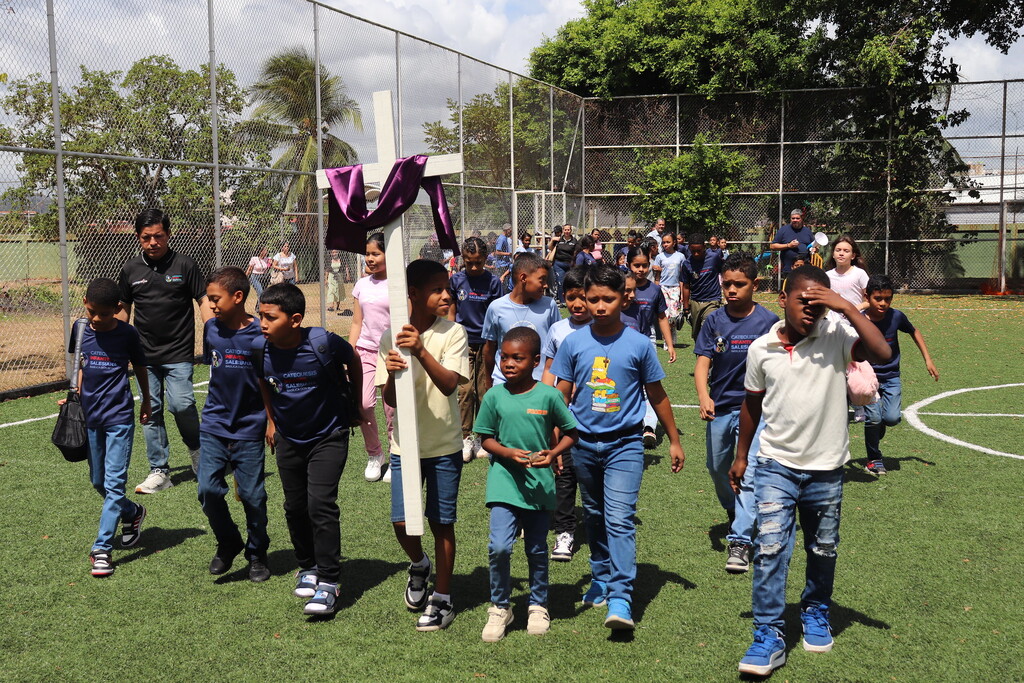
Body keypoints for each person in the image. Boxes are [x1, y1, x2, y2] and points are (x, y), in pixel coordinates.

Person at [731, 265, 891, 676]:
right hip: (774, 465)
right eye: (803, 299)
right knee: (768, 550)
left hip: (826, 467)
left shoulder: (836, 335)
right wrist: (741, 455)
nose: (811, 309)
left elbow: (883, 352)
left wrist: (844, 307)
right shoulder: (761, 348)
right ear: (782, 298)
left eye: (819, 303)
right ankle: (768, 634)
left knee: (822, 549)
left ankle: (815, 611)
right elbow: (752, 405)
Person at [549, 264, 685, 631]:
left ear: (623, 298)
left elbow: (657, 395)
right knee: (593, 515)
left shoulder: (639, 343)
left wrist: (673, 440)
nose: (600, 306)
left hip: (625, 445)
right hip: (582, 445)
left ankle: (622, 596)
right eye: (592, 299)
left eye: (608, 298)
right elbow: (560, 395)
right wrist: (556, 444)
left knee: (619, 518)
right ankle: (600, 578)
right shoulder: (573, 343)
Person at [256, 283, 361, 616]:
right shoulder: (261, 349)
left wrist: (355, 406)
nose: (262, 324)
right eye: (260, 316)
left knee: (320, 504)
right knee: (295, 506)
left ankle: (329, 581)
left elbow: (354, 360)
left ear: (295, 319)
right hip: (288, 436)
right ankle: (308, 566)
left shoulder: (322, 342)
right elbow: (263, 383)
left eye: (269, 318)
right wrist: (271, 423)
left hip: (328, 435)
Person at [377, 259, 470, 632]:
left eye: (446, 288)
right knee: (401, 522)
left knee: (440, 523)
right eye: (437, 289)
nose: (446, 294)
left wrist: (420, 352)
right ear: (412, 294)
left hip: (445, 445)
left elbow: (450, 384)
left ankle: (443, 598)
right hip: (405, 448)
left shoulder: (453, 333)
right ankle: (419, 565)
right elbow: (391, 398)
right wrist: (395, 371)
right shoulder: (390, 337)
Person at [475, 327, 578, 642]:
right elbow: (486, 439)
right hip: (504, 480)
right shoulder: (494, 395)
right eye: (504, 357)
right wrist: (507, 453)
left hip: (538, 484)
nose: (508, 363)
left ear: (535, 361)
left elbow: (571, 432)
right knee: (499, 547)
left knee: (536, 548)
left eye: (516, 358)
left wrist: (553, 454)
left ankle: (538, 604)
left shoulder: (548, 396)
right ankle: (500, 606)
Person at [117, 208, 212, 494]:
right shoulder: (130, 270)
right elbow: (123, 309)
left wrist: (216, 332)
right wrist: (116, 344)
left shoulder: (185, 265)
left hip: (179, 352)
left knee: (181, 404)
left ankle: (198, 452)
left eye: (159, 236)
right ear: (138, 238)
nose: (153, 242)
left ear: (168, 235)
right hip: (143, 356)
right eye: (146, 237)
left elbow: (203, 299)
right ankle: (160, 471)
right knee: (151, 409)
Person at [693, 253, 778, 574]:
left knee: (748, 471)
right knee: (716, 467)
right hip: (720, 406)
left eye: (739, 284)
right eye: (726, 284)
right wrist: (704, 396)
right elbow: (703, 362)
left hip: (756, 410)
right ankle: (734, 509)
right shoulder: (714, 320)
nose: (731, 290)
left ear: (754, 285)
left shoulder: (768, 322)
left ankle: (740, 540)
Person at [65, 278, 151, 577]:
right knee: (98, 482)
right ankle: (133, 512)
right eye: (91, 312)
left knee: (114, 484)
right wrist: (73, 397)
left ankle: (102, 549)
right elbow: (79, 365)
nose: (96, 319)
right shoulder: (79, 329)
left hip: (119, 418)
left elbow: (140, 367)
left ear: (117, 309)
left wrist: (146, 401)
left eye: (103, 313)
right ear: (85, 303)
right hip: (90, 418)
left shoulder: (128, 334)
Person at [198, 267, 270, 583]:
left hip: (250, 427)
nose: (211, 305)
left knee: (254, 496)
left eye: (215, 299)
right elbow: (213, 368)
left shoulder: (260, 336)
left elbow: (270, 382)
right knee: (207, 490)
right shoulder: (211, 330)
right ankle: (228, 540)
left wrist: (270, 420)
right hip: (214, 423)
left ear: (238, 297)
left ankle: (257, 554)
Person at [540, 266, 592, 563]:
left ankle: (600, 527)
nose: (578, 304)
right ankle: (565, 532)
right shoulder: (558, 330)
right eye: (571, 297)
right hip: (565, 416)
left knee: (593, 477)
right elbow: (548, 371)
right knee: (563, 474)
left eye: (583, 297)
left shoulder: (601, 327)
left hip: (596, 415)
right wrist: (547, 410)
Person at [862, 274, 939, 475]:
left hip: (891, 376)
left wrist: (928, 359)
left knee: (892, 418)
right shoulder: (859, 320)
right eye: (878, 298)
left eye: (888, 299)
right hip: (867, 378)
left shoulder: (896, 317)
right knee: (873, 418)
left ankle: (879, 428)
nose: (883, 303)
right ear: (867, 296)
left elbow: (914, 331)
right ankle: (874, 459)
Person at [448, 236, 504, 462]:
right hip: (462, 341)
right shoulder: (456, 281)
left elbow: (497, 315)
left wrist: (496, 343)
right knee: (464, 391)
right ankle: (464, 437)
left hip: (487, 344)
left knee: (484, 391)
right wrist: (451, 335)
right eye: (469, 262)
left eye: (478, 262)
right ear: (463, 257)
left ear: (485, 259)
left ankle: (482, 436)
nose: (473, 267)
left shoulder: (493, 283)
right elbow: (452, 310)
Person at [349, 233, 395, 483]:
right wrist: (349, 352)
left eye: (375, 253)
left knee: (392, 410)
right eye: (367, 254)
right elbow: (357, 321)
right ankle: (375, 454)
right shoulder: (361, 285)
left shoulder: (400, 284)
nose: (370, 258)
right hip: (365, 351)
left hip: (391, 353)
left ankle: (396, 457)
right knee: (364, 405)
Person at [620, 246, 676, 447]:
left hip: (646, 342)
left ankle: (649, 427)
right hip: (621, 342)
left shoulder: (654, 290)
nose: (641, 269)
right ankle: (628, 424)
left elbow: (661, 317)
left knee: (649, 386)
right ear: (629, 265)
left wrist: (669, 344)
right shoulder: (620, 287)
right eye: (637, 265)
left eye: (645, 265)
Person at [481, 252, 561, 389]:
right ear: (523, 278)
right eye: (542, 280)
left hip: (540, 383)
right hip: (504, 383)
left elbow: (557, 347)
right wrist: (489, 382)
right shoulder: (497, 308)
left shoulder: (549, 306)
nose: (546, 285)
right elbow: (489, 348)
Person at [681, 233, 725, 343]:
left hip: (712, 300)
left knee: (708, 326)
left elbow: (725, 273)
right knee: (697, 336)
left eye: (699, 250)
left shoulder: (714, 258)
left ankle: (714, 355)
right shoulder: (687, 264)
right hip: (695, 301)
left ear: (704, 247)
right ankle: (702, 357)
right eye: (693, 251)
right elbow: (686, 286)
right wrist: (686, 307)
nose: (696, 254)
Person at [653, 231, 687, 342]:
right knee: (665, 315)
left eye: (668, 242)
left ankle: (672, 335)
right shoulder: (659, 257)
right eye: (663, 242)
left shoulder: (680, 257)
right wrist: (655, 290)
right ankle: (667, 341)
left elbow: (683, 276)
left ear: (674, 243)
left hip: (675, 288)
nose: (665, 244)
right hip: (663, 288)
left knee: (673, 315)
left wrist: (682, 292)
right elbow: (657, 277)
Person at [825, 234, 869, 315]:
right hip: (833, 322)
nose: (841, 253)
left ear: (853, 256)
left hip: (855, 320)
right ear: (833, 254)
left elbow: (870, 301)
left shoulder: (860, 274)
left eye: (846, 251)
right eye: (838, 250)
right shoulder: (827, 276)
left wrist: (856, 308)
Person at [770, 209, 814, 277]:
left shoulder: (807, 231)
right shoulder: (783, 230)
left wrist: (815, 249)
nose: (795, 220)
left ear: (802, 218)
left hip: (805, 269)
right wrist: (788, 245)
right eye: (793, 218)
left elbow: (814, 246)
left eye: (797, 218)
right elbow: (772, 246)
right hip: (788, 269)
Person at [546, 224, 577, 302]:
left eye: (568, 230)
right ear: (563, 230)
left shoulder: (574, 241)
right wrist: (552, 240)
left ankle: (570, 299)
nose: (567, 231)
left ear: (571, 231)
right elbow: (550, 248)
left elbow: (576, 252)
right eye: (565, 230)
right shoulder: (558, 240)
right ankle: (562, 301)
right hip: (559, 264)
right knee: (560, 283)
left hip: (570, 264)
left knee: (570, 282)